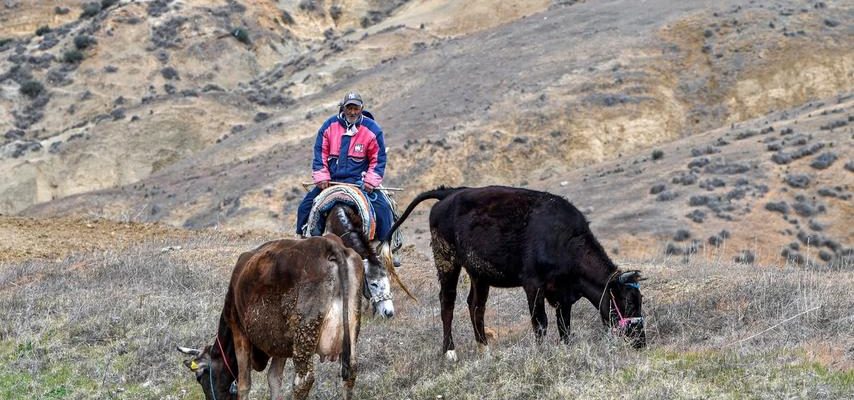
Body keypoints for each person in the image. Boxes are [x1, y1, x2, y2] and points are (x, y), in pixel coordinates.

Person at [295, 92, 395, 242]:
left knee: (384, 210)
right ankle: (303, 241)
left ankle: (387, 247)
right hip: (331, 181)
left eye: (356, 108)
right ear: (343, 108)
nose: (353, 112)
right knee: (305, 207)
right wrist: (322, 177)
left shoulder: (372, 129)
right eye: (349, 108)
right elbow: (320, 152)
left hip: (360, 182)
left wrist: (370, 181)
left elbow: (378, 159)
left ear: (362, 108)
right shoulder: (329, 126)